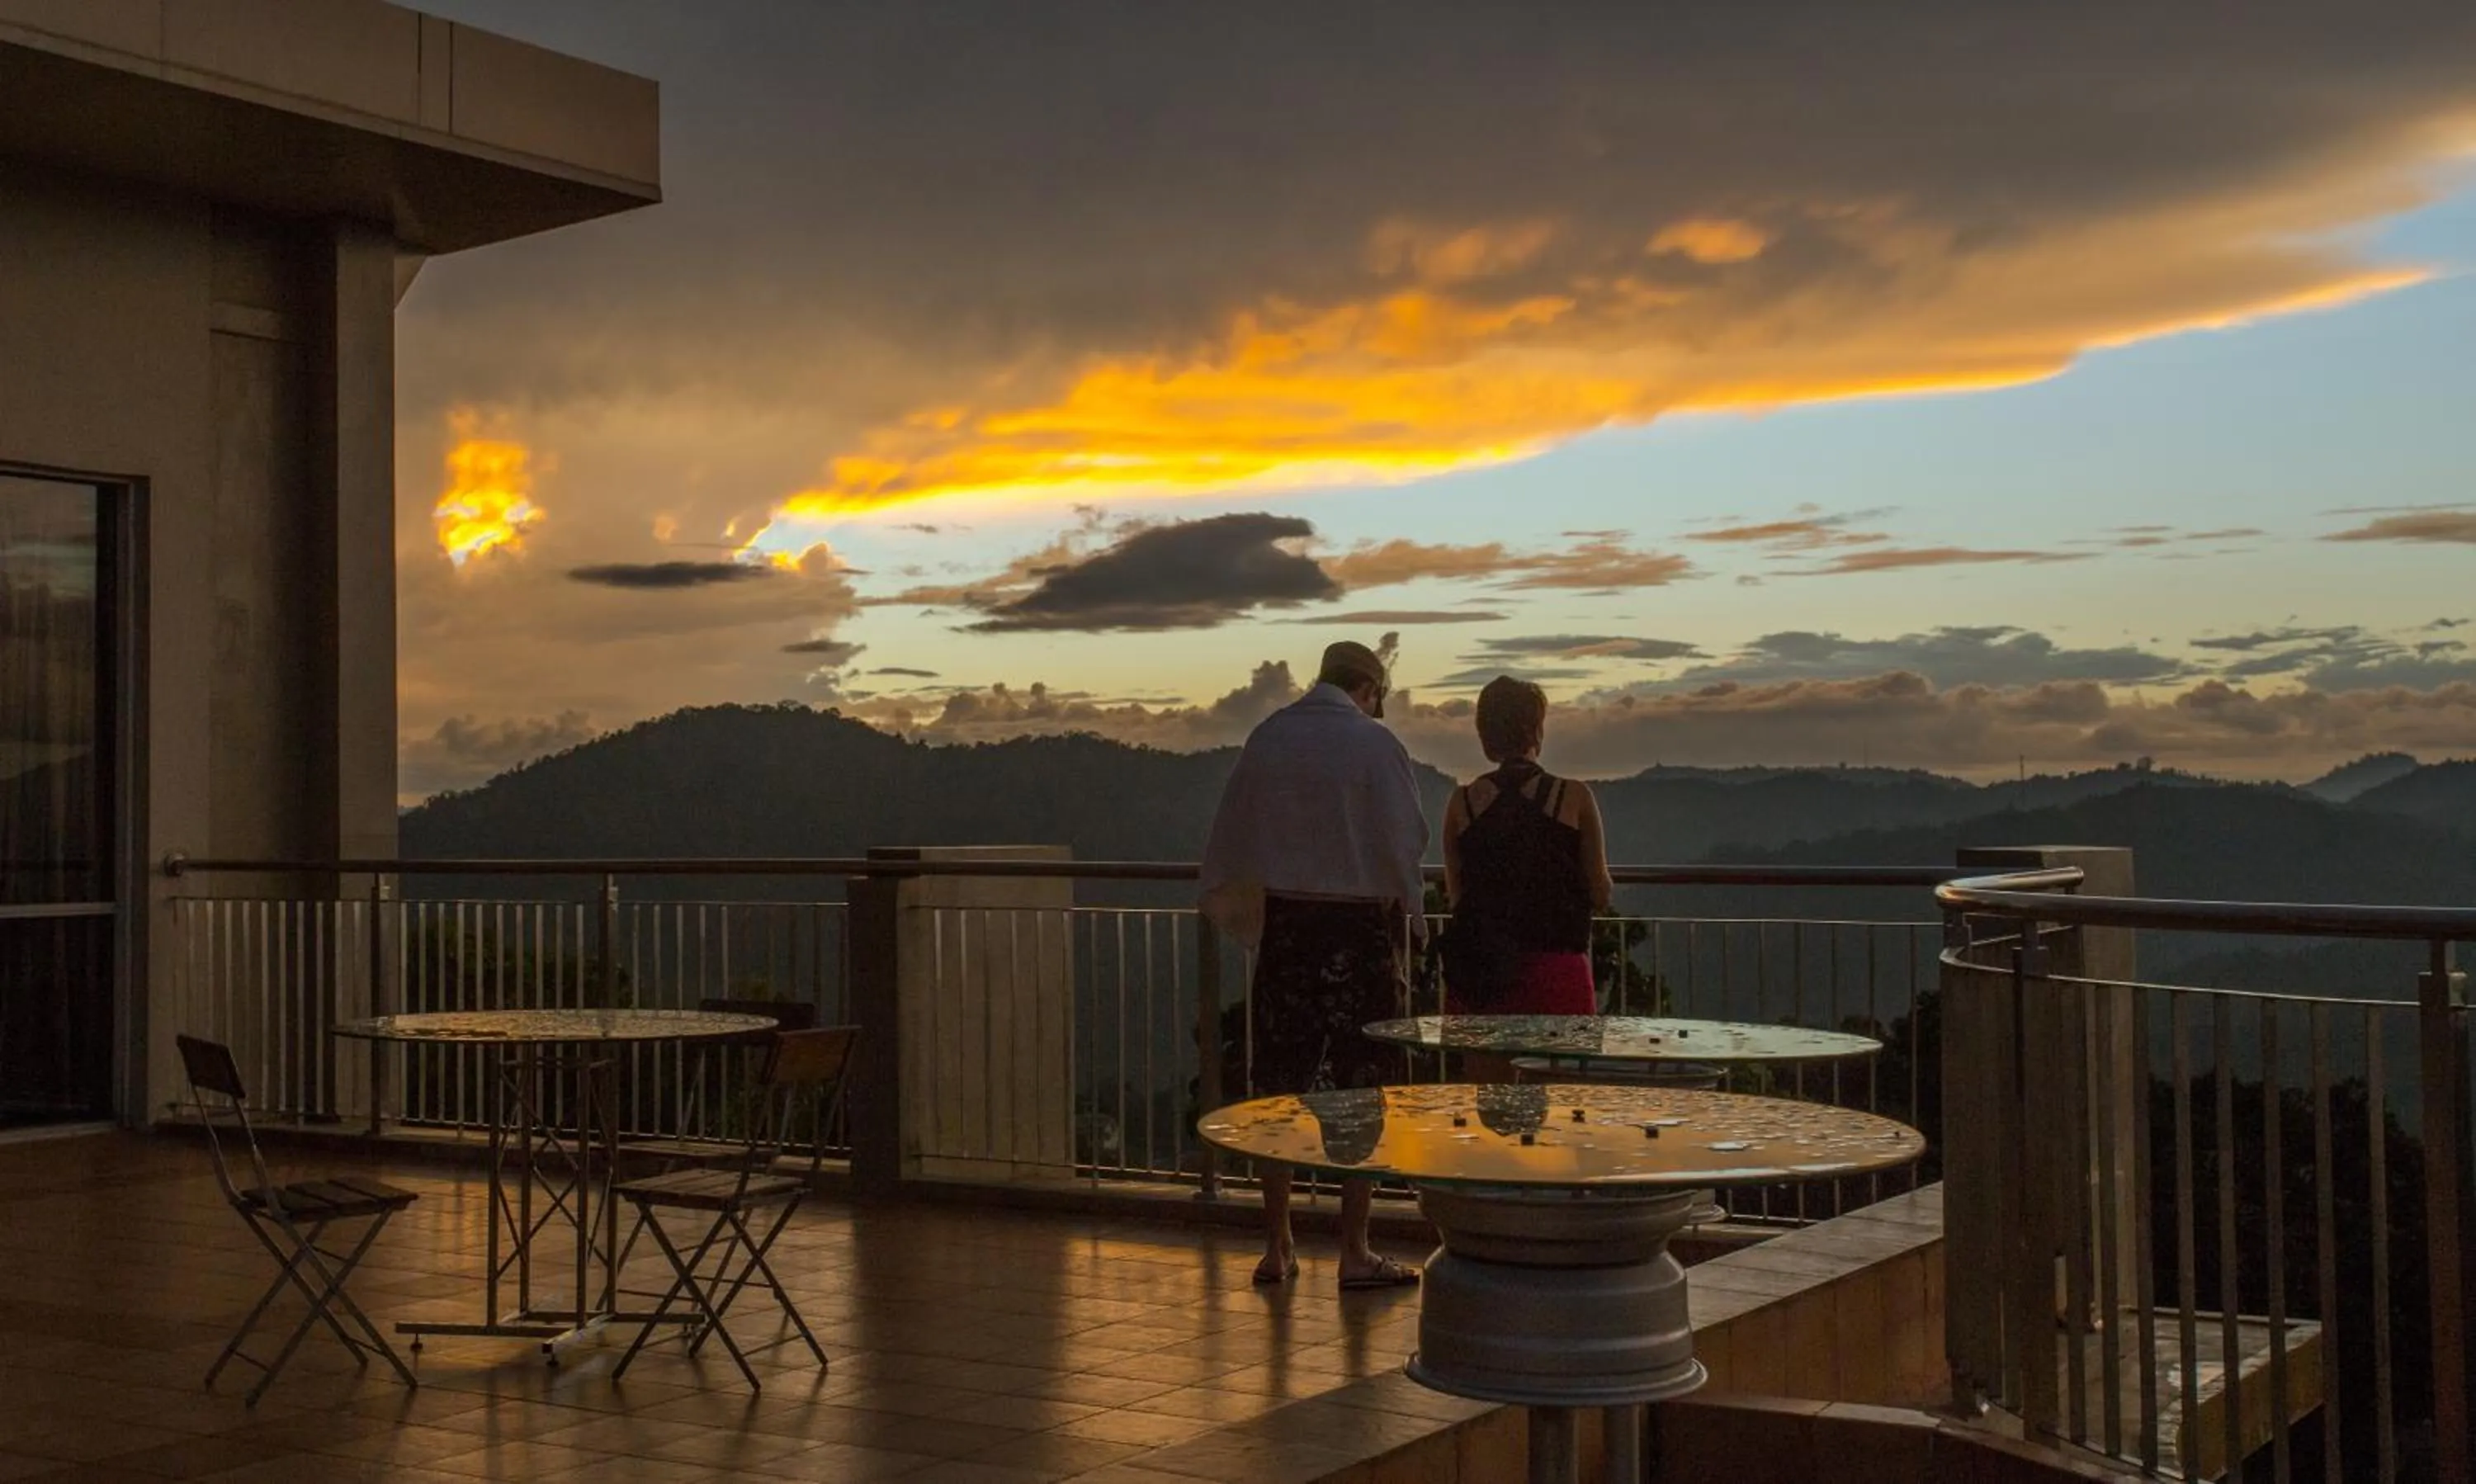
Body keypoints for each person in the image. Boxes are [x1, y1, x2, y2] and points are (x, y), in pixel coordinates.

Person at [1200, 640, 1425, 1291]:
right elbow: (1405, 836)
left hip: (1289, 930)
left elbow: (1234, 836)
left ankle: (1278, 1245)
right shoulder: (1375, 746)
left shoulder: (1269, 739)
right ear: (1370, 688)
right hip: (1357, 934)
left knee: (1276, 1088)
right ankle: (1354, 1248)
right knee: (1362, 1091)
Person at [1439, 675, 1614, 1015]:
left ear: (1485, 734)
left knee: (1482, 1069)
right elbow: (1599, 892)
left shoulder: (1463, 804)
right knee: (1558, 1067)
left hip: (1480, 971)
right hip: (1557, 968)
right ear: (1535, 729)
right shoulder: (1574, 797)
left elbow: (1457, 895)